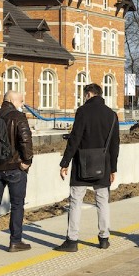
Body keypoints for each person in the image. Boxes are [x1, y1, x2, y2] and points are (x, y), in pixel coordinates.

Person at [55, 83, 120, 252]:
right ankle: (104, 238)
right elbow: (115, 145)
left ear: (89, 94)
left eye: (84, 95)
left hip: (81, 163)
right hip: (103, 165)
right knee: (102, 201)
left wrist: (65, 163)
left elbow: (75, 139)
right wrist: (113, 168)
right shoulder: (112, 115)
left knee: (76, 201)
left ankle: (72, 240)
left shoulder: (83, 111)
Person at [0, 90, 34, 252]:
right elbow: (25, 141)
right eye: (21, 101)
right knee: (17, 205)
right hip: (14, 168)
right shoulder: (18, 117)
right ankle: (15, 241)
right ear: (12, 100)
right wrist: (27, 161)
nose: (22, 104)